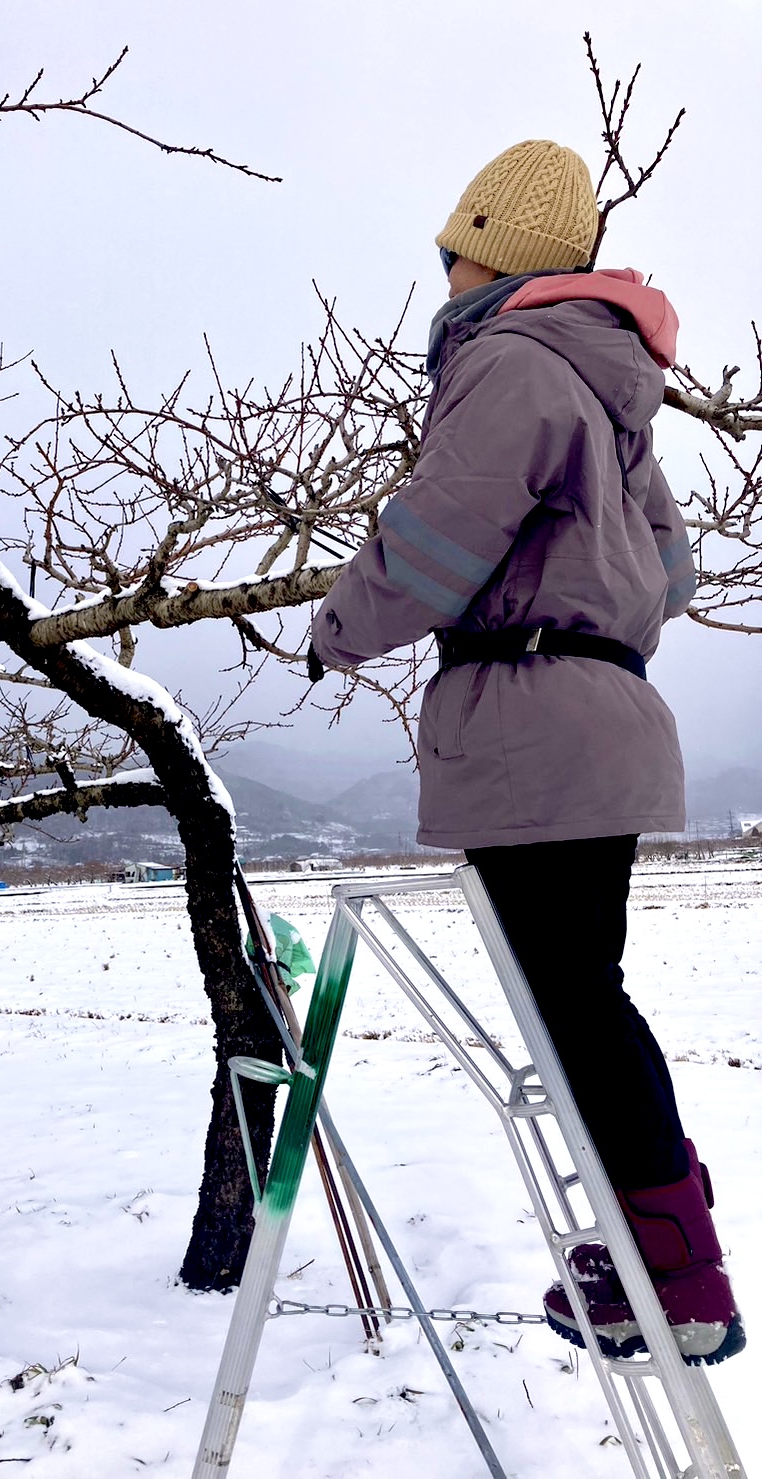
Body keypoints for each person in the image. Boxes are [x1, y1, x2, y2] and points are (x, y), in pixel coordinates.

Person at [310, 139, 744, 1365]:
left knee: (569, 1002)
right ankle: (656, 1236)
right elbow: (668, 575)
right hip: (604, 714)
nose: (439, 282)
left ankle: (675, 1269)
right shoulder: (613, 398)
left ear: (484, 253)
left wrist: (341, 629)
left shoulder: (505, 359)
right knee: (582, 992)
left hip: (527, 718)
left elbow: (440, 531)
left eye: (448, 256)